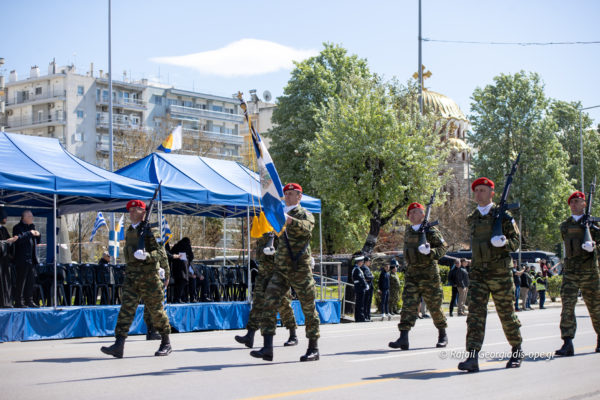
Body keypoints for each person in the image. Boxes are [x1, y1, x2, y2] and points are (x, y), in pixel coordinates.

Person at [457, 177, 523, 372]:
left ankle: (517, 351)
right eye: (476, 191)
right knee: (475, 316)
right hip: (478, 273)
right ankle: (472, 357)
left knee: (506, 314)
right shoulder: (472, 218)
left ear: (492, 193)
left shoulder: (504, 216)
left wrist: (504, 243)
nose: (479, 194)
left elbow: (516, 241)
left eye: (483, 190)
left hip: (500, 272)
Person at [251, 183, 320, 362]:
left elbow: (307, 228)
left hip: (300, 269)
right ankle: (267, 347)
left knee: (308, 308)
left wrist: (289, 220)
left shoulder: (304, 214)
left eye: (291, 194)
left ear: (299, 196)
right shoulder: (277, 214)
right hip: (281, 269)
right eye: (286, 194)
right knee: (269, 302)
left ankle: (313, 348)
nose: (288, 196)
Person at [101, 199, 172, 358]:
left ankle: (166, 342)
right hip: (132, 277)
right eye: (130, 210)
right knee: (126, 310)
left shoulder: (152, 230)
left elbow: (161, 253)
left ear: (143, 212)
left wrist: (148, 257)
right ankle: (119, 344)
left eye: (136, 210)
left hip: (149, 278)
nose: (131, 212)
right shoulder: (130, 230)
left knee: (156, 311)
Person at [389, 202, 448, 351]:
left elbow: (443, 248)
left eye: (416, 212)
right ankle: (403, 337)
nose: (413, 215)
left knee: (434, 306)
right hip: (412, 275)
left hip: (429, 275)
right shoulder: (409, 231)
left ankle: (442, 335)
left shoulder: (430, 230)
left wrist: (431, 252)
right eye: (410, 213)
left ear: (423, 214)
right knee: (408, 306)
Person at [235, 231, 298, 348]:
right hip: (263, 275)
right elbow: (260, 256)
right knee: (257, 304)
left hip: (278, 276)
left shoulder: (282, 234)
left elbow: (286, 255)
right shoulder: (263, 235)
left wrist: (274, 249)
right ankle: (250, 335)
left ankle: (293, 335)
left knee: (284, 305)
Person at [555, 190, 600, 356]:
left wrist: (594, 247)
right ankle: (567, 342)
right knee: (567, 307)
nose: (573, 205)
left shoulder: (593, 225)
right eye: (571, 202)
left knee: (596, 307)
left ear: (584, 204)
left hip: (589, 272)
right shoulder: (565, 226)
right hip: (571, 273)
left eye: (577, 201)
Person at [13, 210, 41, 308]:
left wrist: (38, 235)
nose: (32, 218)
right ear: (24, 217)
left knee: (30, 281)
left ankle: (29, 300)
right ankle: (19, 301)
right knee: (21, 281)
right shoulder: (17, 227)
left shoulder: (32, 227)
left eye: (32, 216)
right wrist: (30, 233)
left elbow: (37, 242)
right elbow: (18, 239)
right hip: (22, 259)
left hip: (31, 259)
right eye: (29, 216)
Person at [0, 207, 18, 308]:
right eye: (4, 217)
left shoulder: (4, 229)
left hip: (4, 261)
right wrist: (6, 242)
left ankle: (6, 302)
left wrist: (11, 242)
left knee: (5, 281)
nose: (6, 219)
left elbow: (8, 243)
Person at [171, 237, 193, 303]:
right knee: (182, 282)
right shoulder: (187, 246)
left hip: (175, 268)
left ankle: (175, 298)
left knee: (177, 283)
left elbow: (171, 255)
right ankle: (179, 298)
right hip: (183, 268)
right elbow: (191, 256)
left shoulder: (176, 246)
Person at [351, 254, 368, 322]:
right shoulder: (357, 269)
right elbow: (361, 278)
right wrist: (365, 285)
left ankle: (358, 317)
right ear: (359, 262)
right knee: (360, 304)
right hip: (360, 288)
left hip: (359, 287)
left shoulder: (357, 269)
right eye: (362, 261)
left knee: (359, 303)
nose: (362, 263)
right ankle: (361, 318)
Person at [362, 255, 374, 321]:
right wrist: (372, 276)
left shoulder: (367, 268)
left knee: (368, 302)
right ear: (366, 262)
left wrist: (371, 276)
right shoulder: (364, 268)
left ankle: (368, 316)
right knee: (366, 303)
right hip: (367, 288)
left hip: (369, 287)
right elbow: (367, 277)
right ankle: (366, 316)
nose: (370, 262)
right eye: (369, 261)